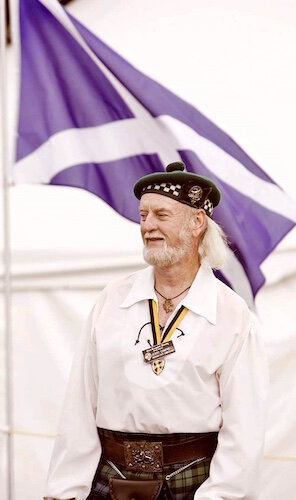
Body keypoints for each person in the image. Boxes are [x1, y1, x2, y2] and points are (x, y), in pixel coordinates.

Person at [44, 162, 269, 500]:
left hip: (193, 485)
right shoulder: (112, 299)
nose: (147, 225)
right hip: (109, 478)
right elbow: (80, 405)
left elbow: (245, 430)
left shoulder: (233, 315)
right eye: (143, 215)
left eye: (161, 215)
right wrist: (65, 492)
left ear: (196, 223)